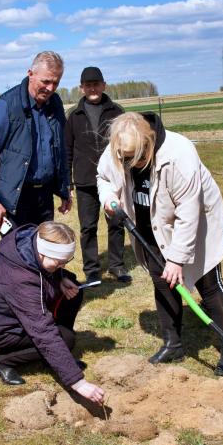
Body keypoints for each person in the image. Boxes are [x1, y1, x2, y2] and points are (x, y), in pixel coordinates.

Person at [98, 112, 223, 376]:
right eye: (126, 159)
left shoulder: (179, 153)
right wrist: (108, 197)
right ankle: (173, 344)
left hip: (194, 224)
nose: (133, 164)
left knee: (208, 284)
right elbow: (103, 177)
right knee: (162, 281)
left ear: (149, 141)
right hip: (150, 223)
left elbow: (189, 211)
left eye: (139, 157)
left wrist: (177, 259)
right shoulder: (120, 146)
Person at [0, 221, 105, 405]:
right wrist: (78, 382)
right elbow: (42, 331)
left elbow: (44, 271)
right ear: (42, 252)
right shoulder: (19, 279)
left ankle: (53, 356)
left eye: (66, 262)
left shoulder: (32, 247)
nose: (63, 266)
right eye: (59, 263)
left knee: (73, 289)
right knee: (65, 340)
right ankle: (2, 360)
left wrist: (61, 278)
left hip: (17, 315)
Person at [0, 51, 72, 232]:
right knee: (18, 253)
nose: (50, 88)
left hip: (44, 196)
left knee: (43, 251)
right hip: (15, 196)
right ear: (31, 74)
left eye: (56, 82)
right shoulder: (6, 106)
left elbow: (60, 149)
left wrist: (64, 187)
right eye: (46, 81)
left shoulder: (55, 104)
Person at [65, 66, 130, 284]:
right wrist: (68, 182)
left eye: (96, 84)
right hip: (84, 181)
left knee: (116, 223)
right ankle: (92, 270)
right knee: (88, 227)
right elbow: (68, 150)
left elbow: (126, 145)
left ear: (104, 85)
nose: (92, 88)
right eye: (88, 85)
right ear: (81, 88)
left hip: (112, 179)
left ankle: (117, 266)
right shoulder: (73, 116)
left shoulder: (117, 112)